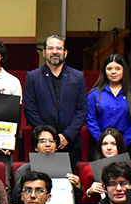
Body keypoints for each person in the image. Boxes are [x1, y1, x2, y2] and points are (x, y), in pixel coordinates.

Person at [22, 35, 88, 172]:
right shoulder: (33, 77)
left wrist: (67, 136)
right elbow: (29, 109)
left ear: (65, 52)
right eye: (51, 48)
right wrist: (47, 137)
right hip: (42, 144)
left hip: (70, 143)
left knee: (69, 186)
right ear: (44, 52)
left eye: (59, 48)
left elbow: (82, 110)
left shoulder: (78, 77)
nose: (55, 51)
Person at [86, 54, 131, 161]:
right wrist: (103, 142)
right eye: (109, 69)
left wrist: (121, 144)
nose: (113, 72)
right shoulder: (95, 94)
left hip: (126, 145)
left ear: (124, 71)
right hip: (99, 144)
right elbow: (90, 120)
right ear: (104, 71)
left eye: (117, 69)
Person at [10, 125, 81, 204]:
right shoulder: (24, 170)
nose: (48, 144)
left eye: (51, 141)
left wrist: (78, 187)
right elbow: (16, 200)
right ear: (35, 147)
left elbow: (76, 202)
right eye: (42, 141)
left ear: (57, 146)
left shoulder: (66, 168)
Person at [79, 128, 131, 204]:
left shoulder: (130, 167)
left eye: (113, 144)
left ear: (119, 146)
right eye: (105, 144)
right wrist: (90, 192)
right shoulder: (89, 170)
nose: (109, 148)